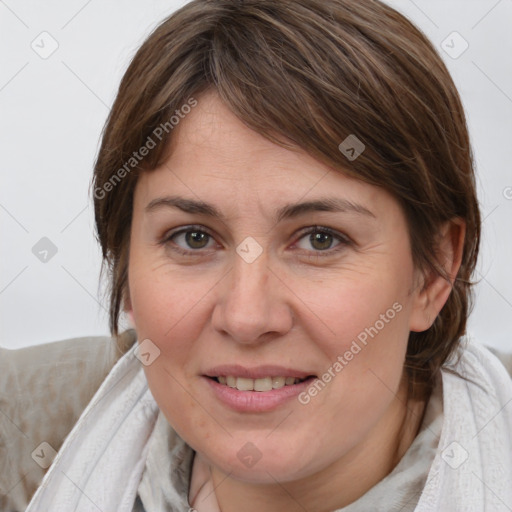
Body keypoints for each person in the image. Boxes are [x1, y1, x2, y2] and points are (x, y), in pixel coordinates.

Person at [1, 0, 512, 511]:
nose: (247, 317)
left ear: (432, 272)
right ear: (126, 267)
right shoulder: (17, 435)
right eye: (193, 238)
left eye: (320, 239)